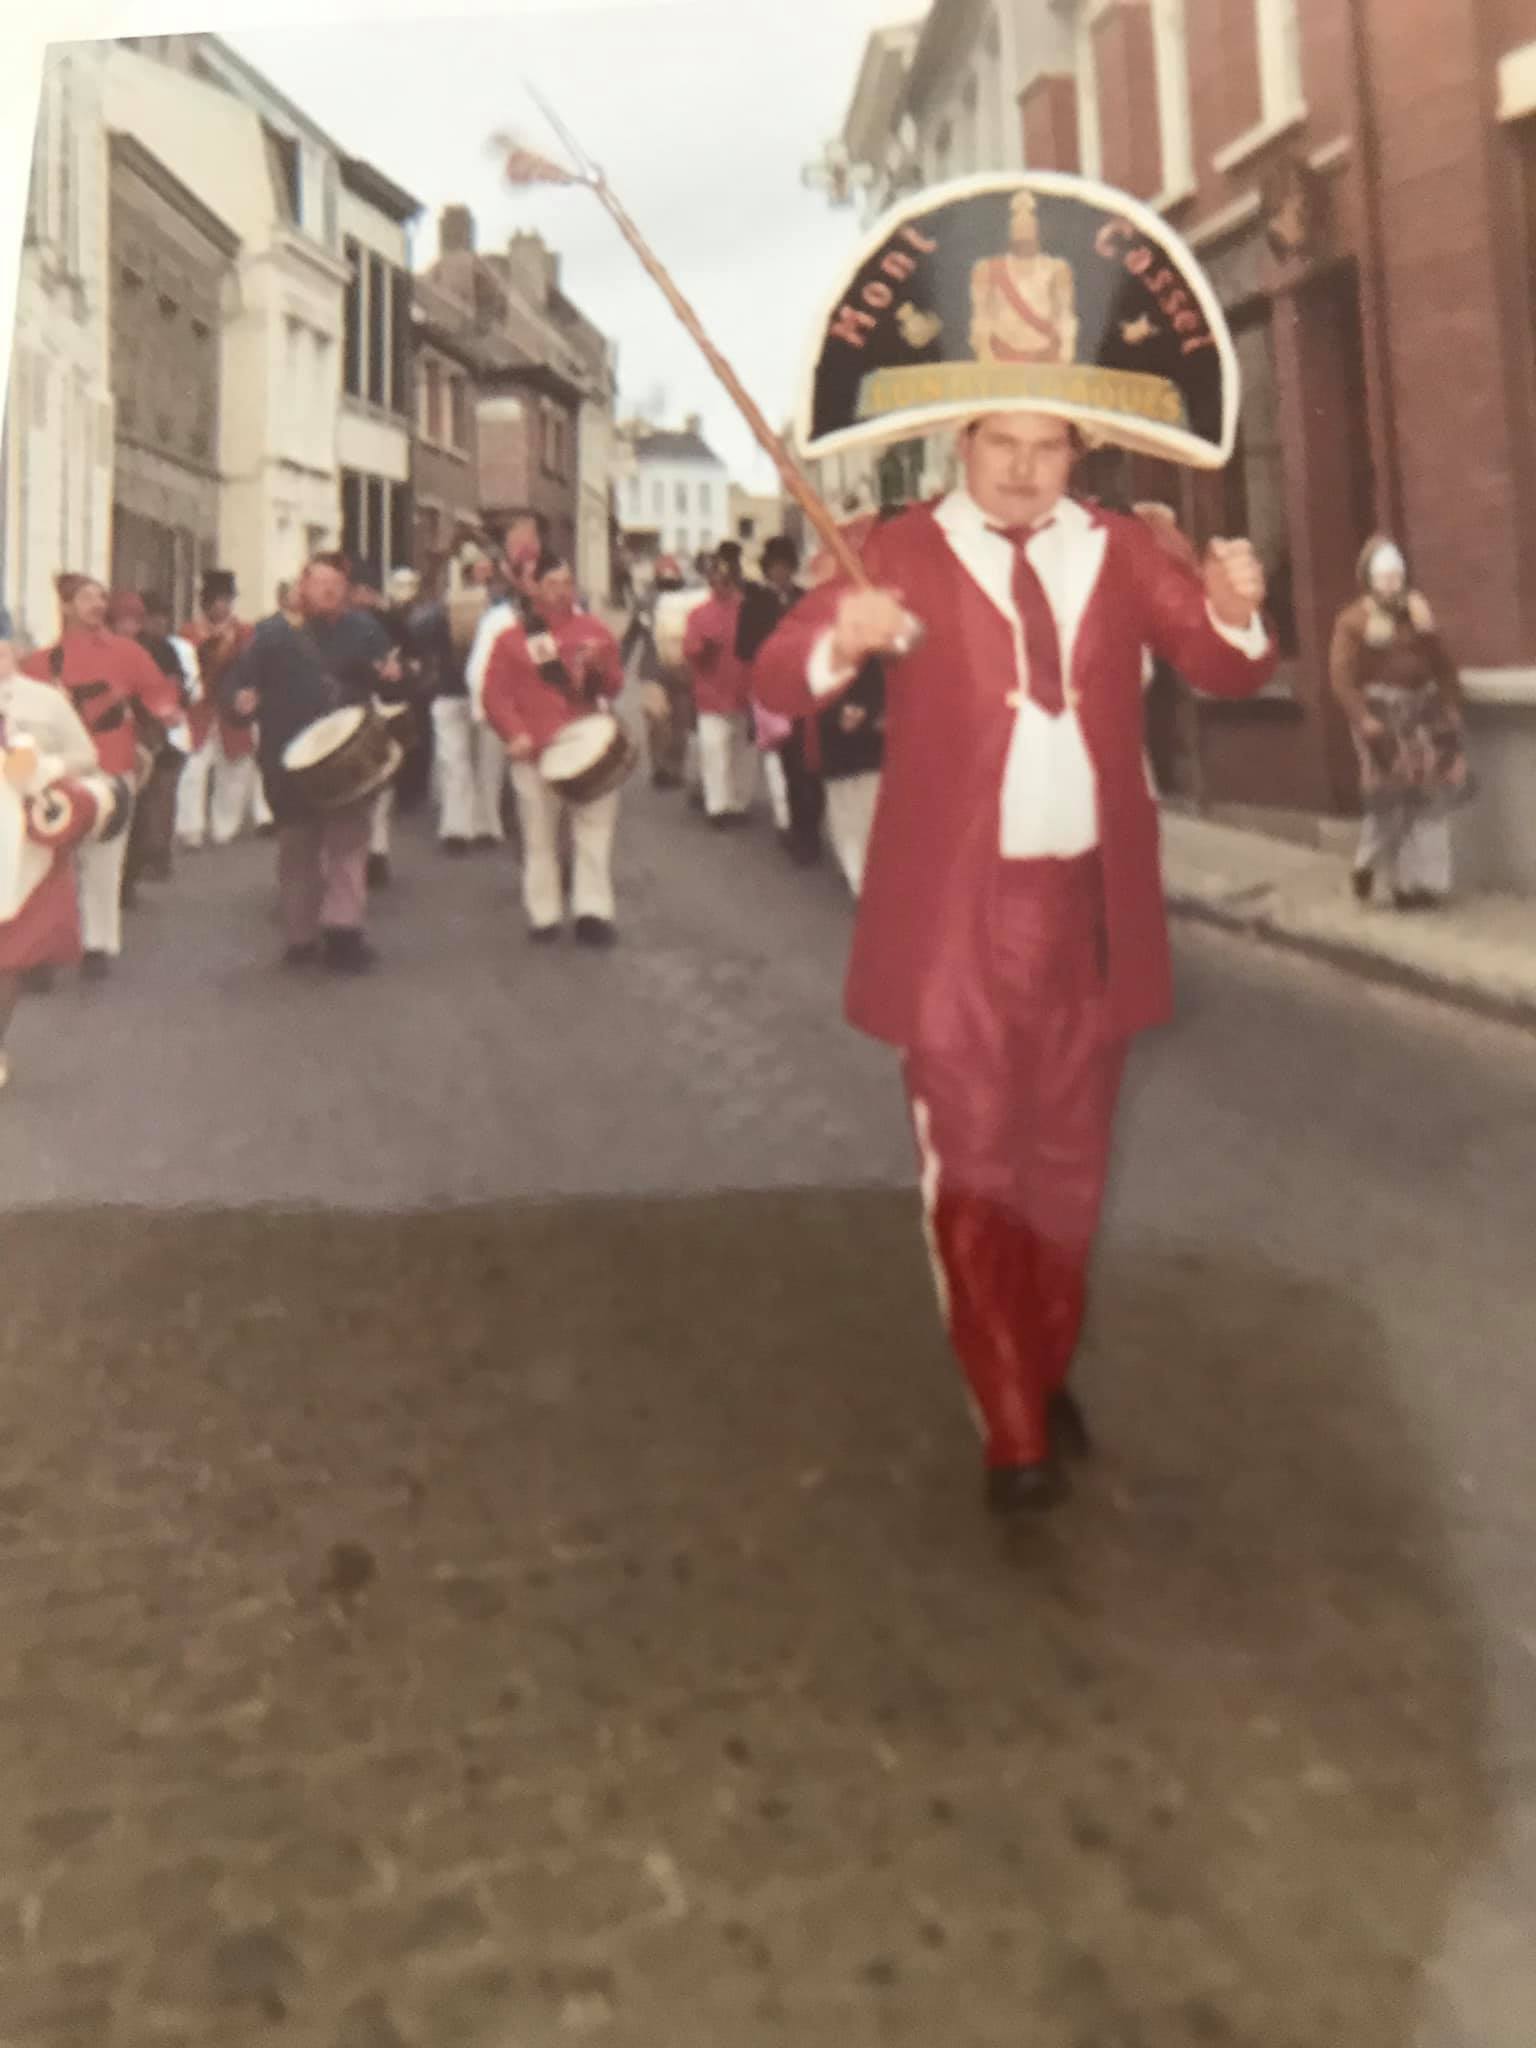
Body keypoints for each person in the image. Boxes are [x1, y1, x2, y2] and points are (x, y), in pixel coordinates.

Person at [752, 410, 1272, 1517]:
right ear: (962, 442)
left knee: (1069, 1175)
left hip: (1090, 910)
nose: (1026, 467)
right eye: (1002, 442)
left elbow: (1222, 666)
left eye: (1049, 444)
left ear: (1079, 450)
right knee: (978, 1170)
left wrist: (1234, 611)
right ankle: (1012, 1425)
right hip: (953, 918)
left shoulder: (1122, 547)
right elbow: (779, 676)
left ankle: (1039, 1360)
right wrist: (844, 637)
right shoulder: (893, 548)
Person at [221, 552, 396, 973]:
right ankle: (300, 937)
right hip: (288, 757)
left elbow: (391, 676)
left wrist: (394, 674)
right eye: (321, 584)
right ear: (303, 586)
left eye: (337, 586)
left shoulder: (364, 630)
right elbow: (236, 683)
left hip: (349, 755)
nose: (329, 592)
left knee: (348, 844)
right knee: (297, 849)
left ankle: (343, 933)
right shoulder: (270, 635)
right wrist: (239, 701)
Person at [21, 573, 183, 978]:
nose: (97, 604)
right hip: (58, 772)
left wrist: (164, 716)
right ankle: (46, 945)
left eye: (100, 597)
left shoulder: (127, 653)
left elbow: (158, 693)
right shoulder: (41, 662)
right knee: (51, 859)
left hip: (111, 765)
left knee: (104, 857)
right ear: (65, 606)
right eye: (86, 597)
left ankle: (97, 943)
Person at [1, 636, 132, 1089]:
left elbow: (86, 755)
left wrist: (42, 767)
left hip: (24, 842)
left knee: (10, 954)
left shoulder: (45, 701)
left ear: (14, 653)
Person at [480, 550, 626, 945]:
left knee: (594, 832)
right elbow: (494, 695)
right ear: (534, 588)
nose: (561, 591)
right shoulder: (513, 639)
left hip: (588, 747)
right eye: (552, 584)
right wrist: (514, 734)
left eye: (566, 583)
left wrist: (599, 666)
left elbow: (614, 686)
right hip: (536, 751)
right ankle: (544, 914)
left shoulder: (595, 630)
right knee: (539, 838)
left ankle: (593, 912)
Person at [1330, 536, 1471, 911]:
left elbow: (1441, 664)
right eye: (1384, 577)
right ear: (1369, 579)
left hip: (1421, 712)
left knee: (1426, 799)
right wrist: (1363, 718)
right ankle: (1373, 867)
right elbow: (1341, 678)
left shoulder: (1416, 615)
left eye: (1397, 576)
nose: (1392, 585)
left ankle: (1421, 884)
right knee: (1390, 799)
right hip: (1380, 715)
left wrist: (1451, 703)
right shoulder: (1353, 621)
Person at [112, 591, 195, 898]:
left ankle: (139, 867)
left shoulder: (160, 649)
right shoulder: (103, 647)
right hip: (112, 735)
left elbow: (174, 687)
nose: (130, 626)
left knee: (148, 804)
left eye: (135, 619)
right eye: (124, 620)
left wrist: (166, 709)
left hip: (149, 734)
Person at [178, 571, 259, 849]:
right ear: (206, 602)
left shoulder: (245, 633)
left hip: (233, 709)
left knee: (235, 768)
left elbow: (254, 669)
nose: (223, 606)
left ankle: (225, 826)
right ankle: (190, 827)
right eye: (217, 600)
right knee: (192, 769)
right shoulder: (189, 633)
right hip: (199, 709)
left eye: (227, 600)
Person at [685, 545, 756, 826]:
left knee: (742, 752)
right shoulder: (699, 614)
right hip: (711, 694)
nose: (721, 584)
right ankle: (718, 806)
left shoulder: (748, 610)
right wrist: (703, 648)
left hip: (744, 692)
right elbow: (690, 650)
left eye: (726, 578)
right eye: (716, 578)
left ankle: (738, 803)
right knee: (714, 751)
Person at [648, 558, 707, 792]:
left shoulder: (688, 602)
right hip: (652, 670)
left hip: (681, 669)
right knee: (656, 718)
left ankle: (675, 768)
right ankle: (659, 766)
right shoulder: (645, 601)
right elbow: (633, 633)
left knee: (680, 722)